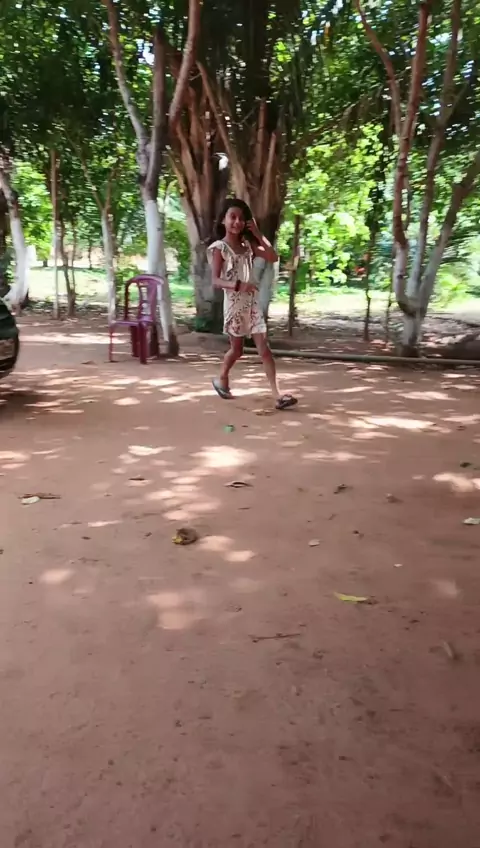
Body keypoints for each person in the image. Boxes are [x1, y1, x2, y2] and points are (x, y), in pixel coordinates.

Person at [207, 198, 297, 410]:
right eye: (232, 217)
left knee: (264, 348)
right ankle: (222, 378)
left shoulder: (248, 246)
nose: (237, 222)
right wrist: (238, 285)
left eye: (241, 218)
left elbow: (273, 256)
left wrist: (257, 233)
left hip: (252, 305)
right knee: (237, 350)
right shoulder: (220, 248)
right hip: (234, 307)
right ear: (223, 220)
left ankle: (277, 395)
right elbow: (216, 280)